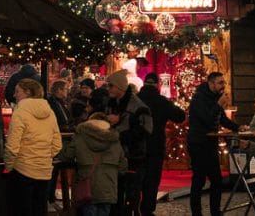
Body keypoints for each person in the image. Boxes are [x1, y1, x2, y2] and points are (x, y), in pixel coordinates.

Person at [5, 78, 62, 216]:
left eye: (17, 91)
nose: (14, 95)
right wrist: (44, 156)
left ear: (28, 92)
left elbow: (12, 145)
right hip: (44, 169)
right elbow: (57, 144)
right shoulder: (50, 112)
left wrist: (9, 166)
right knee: (39, 208)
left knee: (22, 208)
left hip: (23, 168)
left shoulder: (20, 113)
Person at [56, 112, 127, 216]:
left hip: (87, 185)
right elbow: (122, 166)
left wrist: (64, 144)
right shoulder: (114, 140)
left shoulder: (80, 137)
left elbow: (66, 156)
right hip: (108, 186)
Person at [105, 68, 152, 215]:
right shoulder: (111, 103)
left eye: (111, 85)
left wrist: (119, 134)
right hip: (113, 156)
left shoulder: (138, 106)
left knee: (131, 194)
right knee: (115, 193)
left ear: (120, 87)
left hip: (133, 156)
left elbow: (145, 130)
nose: (108, 89)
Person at [137, 72, 185, 216]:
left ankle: (133, 208)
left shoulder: (135, 99)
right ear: (157, 84)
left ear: (144, 84)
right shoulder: (161, 101)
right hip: (155, 146)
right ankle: (147, 210)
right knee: (152, 180)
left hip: (136, 146)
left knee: (136, 179)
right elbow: (180, 116)